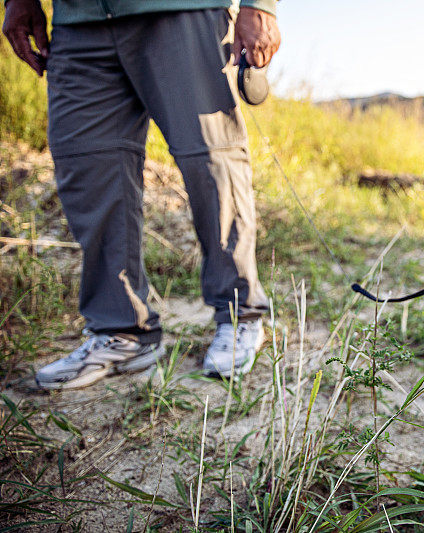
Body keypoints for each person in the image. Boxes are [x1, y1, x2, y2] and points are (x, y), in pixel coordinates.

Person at [2, 0, 281, 388]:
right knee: (89, 170)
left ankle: (240, 315)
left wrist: (260, 3)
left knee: (212, 165)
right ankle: (122, 331)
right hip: (78, 22)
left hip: (181, 9)